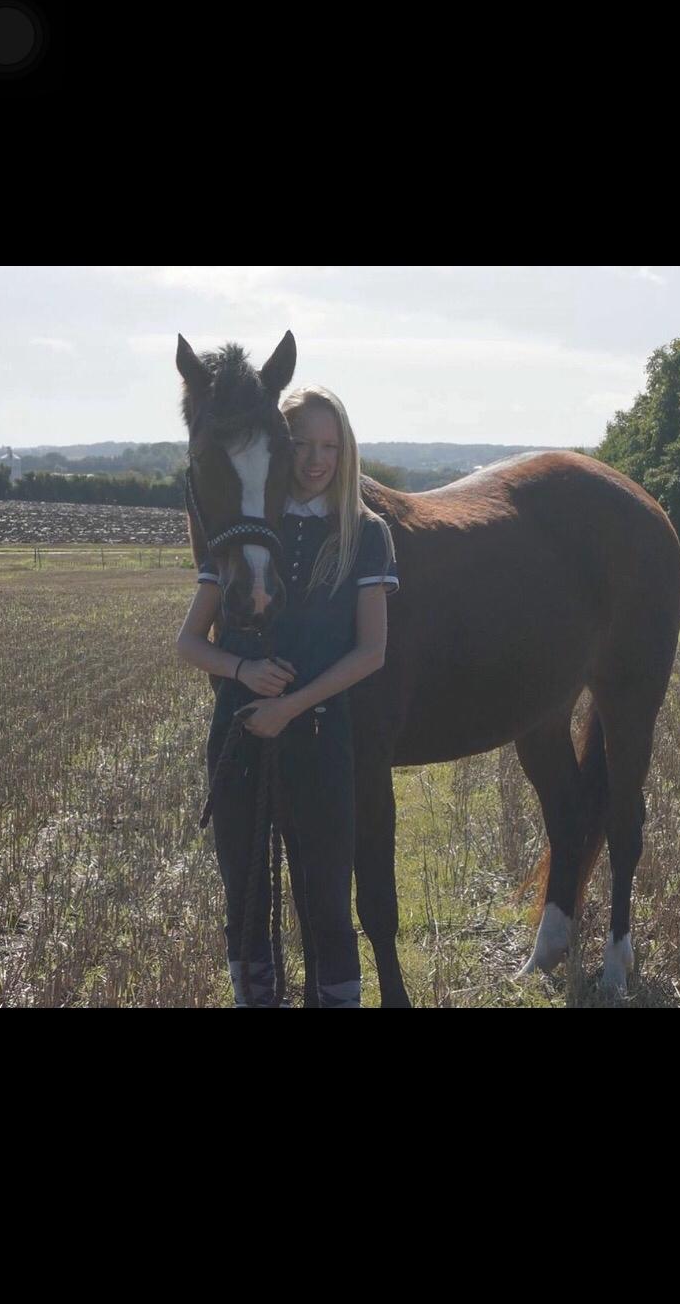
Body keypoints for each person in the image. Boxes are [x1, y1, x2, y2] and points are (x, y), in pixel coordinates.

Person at [176, 386, 399, 1008]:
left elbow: (371, 652)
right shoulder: (248, 529)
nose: (315, 459)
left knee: (327, 902)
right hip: (240, 732)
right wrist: (244, 674)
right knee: (245, 903)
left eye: (330, 445)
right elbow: (189, 642)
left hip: (323, 739)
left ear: (345, 450)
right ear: (281, 446)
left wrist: (290, 707)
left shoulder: (365, 533)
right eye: (301, 443)